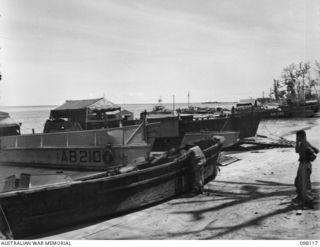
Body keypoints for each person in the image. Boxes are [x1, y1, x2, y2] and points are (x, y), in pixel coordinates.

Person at [293, 130, 318, 208]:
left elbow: (314, 154)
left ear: (302, 136)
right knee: (298, 181)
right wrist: (297, 142)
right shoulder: (302, 143)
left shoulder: (305, 144)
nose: (297, 138)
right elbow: (297, 150)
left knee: (304, 183)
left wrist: (308, 159)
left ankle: (308, 201)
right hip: (302, 164)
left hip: (305, 164)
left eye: (298, 137)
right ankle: (301, 196)